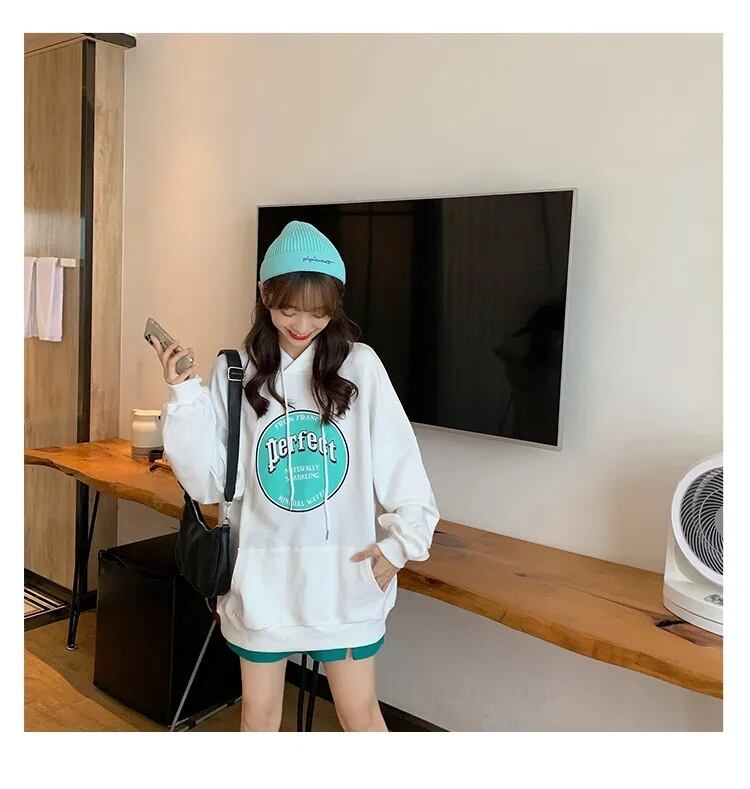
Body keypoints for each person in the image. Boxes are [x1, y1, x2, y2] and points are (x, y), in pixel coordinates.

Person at [150, 220, 440, 732]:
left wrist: (399, 548)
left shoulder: (361, 367)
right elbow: (207, 483)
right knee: (258, 719)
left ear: (335, 306)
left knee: (360, 717)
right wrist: (185, 393)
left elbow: (404, 466)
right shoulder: (237, 371)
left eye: (318, 312)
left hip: (344, 578)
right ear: (265, 294)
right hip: (265, 582)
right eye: (288, 309)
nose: (303, 324)